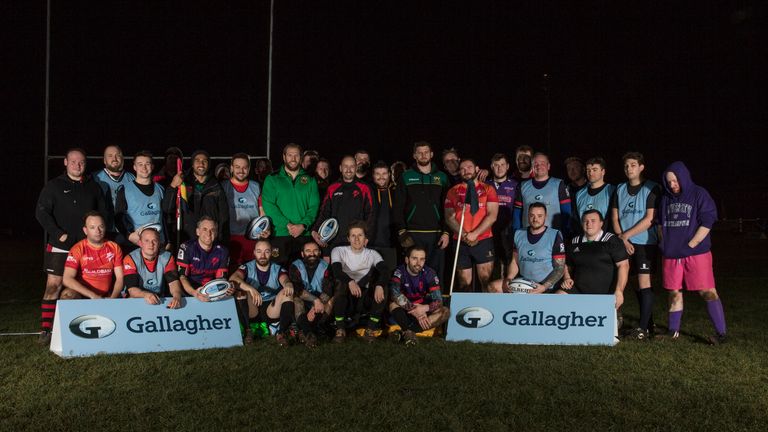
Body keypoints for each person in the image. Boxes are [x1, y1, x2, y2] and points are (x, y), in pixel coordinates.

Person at [35, 148, 107, 343]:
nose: (77, 165)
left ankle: (81, 328)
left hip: (88, 246)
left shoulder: (93, 187)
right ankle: (46, 330)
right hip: (61, 246)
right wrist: (59, 234)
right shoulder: (54, 186)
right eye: (73, 161)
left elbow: (103, 214)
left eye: (81, 162)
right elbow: (41, 213)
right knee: (53, 286)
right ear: (65, 162)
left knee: (83, 287)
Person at [658, 161, 726, 344]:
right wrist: (664, 243)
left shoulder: (699, 193)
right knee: (674, 293)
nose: (672, 185)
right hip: (672, 255)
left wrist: (692, 244)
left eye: (675, 180)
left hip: (696, 254)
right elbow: (659, 223)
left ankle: (721, 334)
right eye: (669, 182)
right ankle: (673, 332)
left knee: (707, 292)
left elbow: (708, 220)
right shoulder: (666, 198)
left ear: (684, 177)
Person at [610, 152, 661, 339]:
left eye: (633, 165)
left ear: (641, 167)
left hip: (645, 243)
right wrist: (623, 239)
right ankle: (648, 323)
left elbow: (649, 219)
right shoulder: (619, 188)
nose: (629, 168)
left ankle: (642, 329)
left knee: (644, 283)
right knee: (632, 284)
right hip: (624, 243)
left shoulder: (652, 188)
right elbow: (614, 217)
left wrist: (627, 236)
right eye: (626, 166)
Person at [393, 141, 450, 283]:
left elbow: (448, 208)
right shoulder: (406, 177)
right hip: (413, 233)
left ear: (431, 154)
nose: (423, 155)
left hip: (436, 234)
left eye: (426, 152)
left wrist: (446, 232)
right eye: (420, 152)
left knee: (436, 273)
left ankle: (436, 304)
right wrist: (402, 231)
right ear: (414, 155)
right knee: (413, 272)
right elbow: (398, 207)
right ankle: (412, 303)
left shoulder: (442, 177)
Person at [260, 143, 320, 266]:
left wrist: (303, 225)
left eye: (296, 155)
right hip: (280, 234)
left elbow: (314, 206)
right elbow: (269, 205)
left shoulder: (310, 179)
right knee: (279, 274)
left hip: (304, 234)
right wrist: (287, 224)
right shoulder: (272, 179)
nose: (293, 159)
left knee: (303, 275)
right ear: (284, 157)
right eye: (290, 155)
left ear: (301, 157)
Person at [444, 158, 499, 292]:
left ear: (476, 169)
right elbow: (449, 217)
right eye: (463, 168)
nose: (466, 170)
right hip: (461, 241)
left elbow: (492, 215)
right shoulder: (453, 191)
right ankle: (468, 312)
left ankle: (487, 311)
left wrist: (475, 234)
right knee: (464, 284)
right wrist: (464, 235)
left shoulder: (488, 189)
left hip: (483, 240)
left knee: (486, 280)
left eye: (469, 167)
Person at [230, 239, 297, 346]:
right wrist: (250, 289)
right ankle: (248, 331)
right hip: (253, 308)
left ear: (271, 252)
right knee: (240, 292)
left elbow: (284, 279)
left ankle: (281, 333)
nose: (263, 255)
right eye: (259, 251)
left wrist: (288, 284)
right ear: (254, 252)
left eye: (266, 251)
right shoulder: (247, 267)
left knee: (287, 292)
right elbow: (233, 278)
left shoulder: (277, 268)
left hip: (271, 308)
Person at [330, 221, 389, 343]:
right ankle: (340, 329)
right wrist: (350, 282)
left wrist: (379, 285)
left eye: (360, 235)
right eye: (353, 235)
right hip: (345, 296)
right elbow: (336, 271)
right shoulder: (338, 250)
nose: (357, 239)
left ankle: (370, 329)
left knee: (383, 287)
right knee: (341, 284)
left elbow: (385, 270)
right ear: (348, 238)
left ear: (365, 238)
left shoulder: (372, 254)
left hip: (363, 295)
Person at [559, 210, 629, 310]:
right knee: (557, 299)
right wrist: (567, 278)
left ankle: (617, 316)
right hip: (578, 289)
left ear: (601, 223)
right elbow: (567, 264)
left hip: (604, 292)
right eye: (585, 221)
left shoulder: (612, 241)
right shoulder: (575, 241)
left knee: (601, 321)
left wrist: (619, 291)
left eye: (593, 221)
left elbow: (624, 265)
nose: (589, 224)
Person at [489, 203, 565, 294]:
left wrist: (544, 287)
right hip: (524, 283)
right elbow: (514, 261)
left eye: (539, 216)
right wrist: (509, 278)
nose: (535, 219)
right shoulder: (519, 233)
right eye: (532, 215)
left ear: (546, 216)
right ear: (528, 215)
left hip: (545, 286)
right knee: (493, 287)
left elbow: (560, 268)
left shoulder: (555, 235)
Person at [311, 155, 375, 255]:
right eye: (345, 166)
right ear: (340, 168)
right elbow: (324, 212)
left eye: (352, 166)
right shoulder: (332, 188)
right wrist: (315, 230)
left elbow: (371, 214)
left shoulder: (364, 188)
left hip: (356, 241)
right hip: (335, 242)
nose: (348, 170)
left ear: (356, 168)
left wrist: (367, 237)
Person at [388, 246, 450, 346]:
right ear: (407, 259)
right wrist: (415, 311)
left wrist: (425, 308)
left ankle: (407, 332)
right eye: (414, 258)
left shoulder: (430, 273)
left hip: (422, 307)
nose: (418, 263)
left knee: (445, 312)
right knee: (393, 304)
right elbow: (395, 294)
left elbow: (438, 300)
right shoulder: (399, 272)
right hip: (404, 309)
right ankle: (408, 332)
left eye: (422, 259)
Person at [165, 149, 229, 243]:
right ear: (192, 164)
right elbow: (167, 208)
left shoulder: (215, 186)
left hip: (209, 239)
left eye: (204, 161)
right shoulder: (182, 183)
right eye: (197, 161)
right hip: (187, 238)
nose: (201, 164)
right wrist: (173, 186)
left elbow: (224, 217)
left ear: (209, 164)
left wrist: (223, 241)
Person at [61, 212, 124, 300]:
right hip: (84, 294)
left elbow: (120, 278)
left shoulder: (114, 247)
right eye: (92, 227)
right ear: (85, 230)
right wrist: (93, 296)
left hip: (107, 295)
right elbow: (67, 279)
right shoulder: (78, 249)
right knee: (67, 295)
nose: (98, 231)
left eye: (101, 226)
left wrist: (113, 298)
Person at [222, 153, 267, 268]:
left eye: (244, 167)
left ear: (249, 168)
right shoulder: (223, 187)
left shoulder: (256, 186)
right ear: (231, 168)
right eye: (237, 167)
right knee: (233, 273)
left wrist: (265, 229)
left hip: (252, 238)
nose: (241, 171)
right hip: (231, 238)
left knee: (251, 273)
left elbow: (262, 211)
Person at [114, 150, 166, 249]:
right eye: (140, 164)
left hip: (157, 243)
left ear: (152, 166)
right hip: (135, 244)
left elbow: (164, 217)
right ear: (134, 167)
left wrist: (167, 240)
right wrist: (128, 235)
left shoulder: (160, 189)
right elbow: (118, 218)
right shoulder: (125, 189)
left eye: (147, 164)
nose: (144, 167)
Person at [512, 152, 571, 237]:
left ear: (548, 166)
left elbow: (566, 212)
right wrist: (516, 233)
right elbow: (517, 213)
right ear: (532, 166)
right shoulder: (522, 186)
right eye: (536, 163)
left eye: (542, 163)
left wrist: (565, 234)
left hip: (553, 237)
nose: (539, 166)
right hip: (527, 236)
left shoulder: (559, 184)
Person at [288, 241, 334, 348]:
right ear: (303, 254)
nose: (312, 254)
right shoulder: (295, 266)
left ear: (319, 253)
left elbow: (328, 291)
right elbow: (297, 289)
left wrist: (316, 305)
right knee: (295, 299)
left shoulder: (326, 266)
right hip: (304, 299)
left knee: (331, 299)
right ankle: (309, 333)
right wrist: (315, 300)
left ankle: (307, 330)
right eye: (308, 251)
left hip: (321, 301)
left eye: (315, 250)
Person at [123, 227, 184, 308]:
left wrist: (177, 296)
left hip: (159, 298)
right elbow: (132, 290)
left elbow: (173, 282)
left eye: (154, 241)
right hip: (136, 298)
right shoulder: (130, 259)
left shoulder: (167, 257)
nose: (151, 244)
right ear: (140, 243)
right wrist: (146, 295)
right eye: (147, 241)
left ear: (159, 243)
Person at [176, 217, 230, 301]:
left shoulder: (222, 251)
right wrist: (194, 293)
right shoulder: (187, 248)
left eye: (212, 230)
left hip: (212, 292)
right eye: (205, 229)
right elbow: (182, 277)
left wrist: (218, 292)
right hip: (189, 292)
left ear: (216, 233)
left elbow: (221, 279)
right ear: (198, 232)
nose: (209, 233)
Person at [93, 144, 135, 242]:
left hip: (129, 233)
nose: (114, 159)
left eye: (118, 155)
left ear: (123, 159)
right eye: (110, 156)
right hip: (104, 232)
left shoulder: (132, 179)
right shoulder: (95, 178)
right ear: (104, 160)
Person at [485, 153, 518, 278]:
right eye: (496, 165)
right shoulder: (485, 186)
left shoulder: (515, 185)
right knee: (491, 265)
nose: (499, 168)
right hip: (489, 231)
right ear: (491, 167)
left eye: (502, 165)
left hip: (508, 232)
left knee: (508, 262)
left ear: (508, 166)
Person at [571, 157, 615, 235]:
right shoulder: (579, 194)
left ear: (603, 171)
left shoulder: (612, 191)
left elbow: (613, 219)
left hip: (605, 240)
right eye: (588, 170)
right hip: (585, 240)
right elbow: (576, 220)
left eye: (595, 170)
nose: (591, 173)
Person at [370, 161, 397, 270]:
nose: (381, 177)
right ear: (373, 175)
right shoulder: (369, 191)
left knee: (389, 276)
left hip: (390, 244)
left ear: (389, 175)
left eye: (384, 173)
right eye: (377, 174)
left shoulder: (396, 192)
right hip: (371, 243)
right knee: (370, 278)